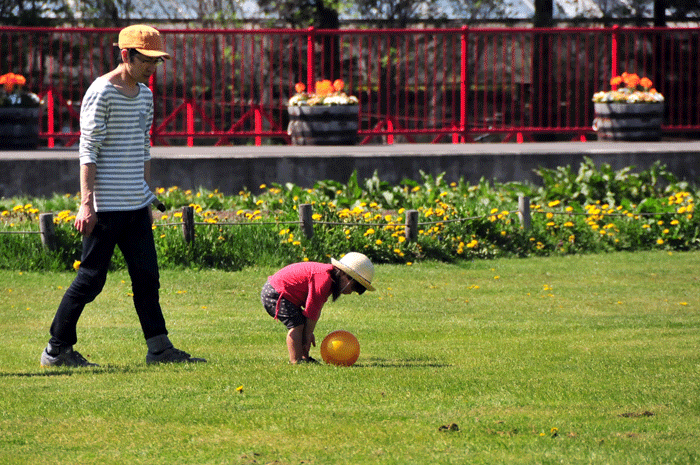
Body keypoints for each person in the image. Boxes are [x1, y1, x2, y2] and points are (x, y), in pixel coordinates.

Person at [40, 25, 205, 367]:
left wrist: (146, 197)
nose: (152, 68)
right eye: (147, 60)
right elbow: (88, 149)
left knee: (147, 278)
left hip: (135, 206)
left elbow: (144, 147)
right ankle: (56, 350)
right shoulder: (101, 92)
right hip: (105, 207)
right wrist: (86, 204)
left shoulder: (144, 95)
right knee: (90, 279)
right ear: (126, 55)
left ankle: (159, 349)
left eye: (156, 61)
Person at [261, 252, 375, 364]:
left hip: (281, 293)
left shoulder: (330, 279)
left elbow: (314, 309)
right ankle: (296, 360)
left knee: (303, 326)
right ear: (345, 276)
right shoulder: (324, 279)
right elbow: (312, 309)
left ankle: (305, 358)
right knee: (297, 326)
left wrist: (308, 332)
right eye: (355, 287)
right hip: (275, 293)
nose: (352, 292)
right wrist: (308, 333)